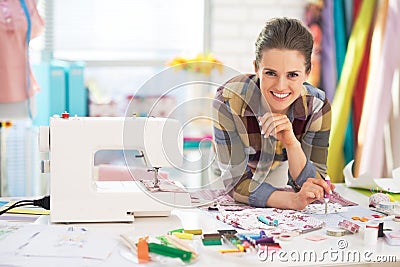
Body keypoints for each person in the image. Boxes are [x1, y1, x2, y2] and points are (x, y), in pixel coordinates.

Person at [212, 17, 334, 210]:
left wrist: (291, 143)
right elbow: (237, 183)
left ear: (307, 73)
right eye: (270, 73)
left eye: (292, 75)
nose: (280, 86)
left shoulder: (317, 106)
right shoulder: (229, 100)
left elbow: (314, 185)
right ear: (256, 69)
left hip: (279, 168)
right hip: (229, 175)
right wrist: (292, 201)